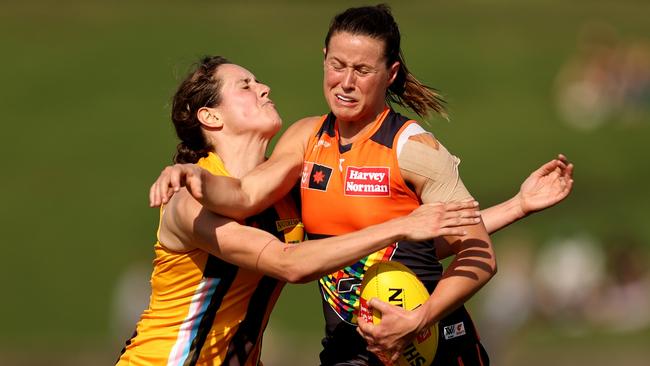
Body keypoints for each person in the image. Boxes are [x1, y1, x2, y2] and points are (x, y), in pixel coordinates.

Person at [149, 5, 574, 365]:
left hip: (434, 347)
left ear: (389, 74)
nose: (346, 82)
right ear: (323, 59)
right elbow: (248, 201)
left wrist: (420, 317)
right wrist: (194, 177)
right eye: (337, 65)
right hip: (349, 351)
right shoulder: (305, 141)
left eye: (362, 69)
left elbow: (462, 249)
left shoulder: (414, 148)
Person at [116, 56, 485, 366]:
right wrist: (401, 226)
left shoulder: (285, 194)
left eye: (258, 81)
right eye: (245, 85)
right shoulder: (189, 202)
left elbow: (392, 241)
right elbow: (290, 262)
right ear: (210, 117)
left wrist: (518, 206)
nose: (264, 88)